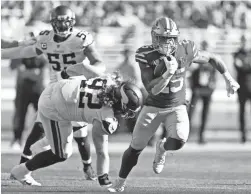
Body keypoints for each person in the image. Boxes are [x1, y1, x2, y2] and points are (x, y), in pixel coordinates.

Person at [108, 16, 240, 192]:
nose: (167, 42)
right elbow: (152, 89)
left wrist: (229, 79)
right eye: (163, 38)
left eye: (170, 38)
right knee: (135, 147)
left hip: (176, 106)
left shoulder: (185, 49)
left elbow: (211, 58)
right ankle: (120, 181)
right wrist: (166, 75)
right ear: (154, 37)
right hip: (153, 107)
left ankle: (161, 148)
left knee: (179, 140)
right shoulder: (145, 54)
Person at [2, 5, 106, 181]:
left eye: (66, 23)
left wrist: (90, 69)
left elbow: (99, 63)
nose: (64, 27)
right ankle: (21, 170)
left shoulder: (80, 39)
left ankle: (87, 166)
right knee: (39, 130)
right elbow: (24, 50)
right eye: (60, 23)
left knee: (79, 133)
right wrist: (4, 53)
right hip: (55, 88)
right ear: (53, 23)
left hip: (76, 89)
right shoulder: (45, 38)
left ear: (72, 23)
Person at [9, 74, 143, 187]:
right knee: (61, 153)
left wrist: (67, 74)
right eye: (126, 109)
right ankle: (21, 171)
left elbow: (82, 73)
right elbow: (101, 151)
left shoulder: (109, 80)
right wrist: (104, 179)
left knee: (66, 139)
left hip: (60, 91)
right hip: (54, 107)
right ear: (120, 102)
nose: (125, 114)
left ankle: (36, 148)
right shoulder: (105, 114)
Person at [188, 40, 217, 144]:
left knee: (205, 113)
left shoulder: (212, 59)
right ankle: (186, 135)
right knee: (191, 112)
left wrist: (213, 86)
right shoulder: (196, 57)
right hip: (197, 88)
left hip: (207, 89)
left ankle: (201, 136)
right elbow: (191, 70)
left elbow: (214, 73)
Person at [233, 35, 251, 143]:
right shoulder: (237, 53)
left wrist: (243, 65)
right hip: (242, 87)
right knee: (242, 112)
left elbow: (243, 67)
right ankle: (243, 135)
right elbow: (237, 67)